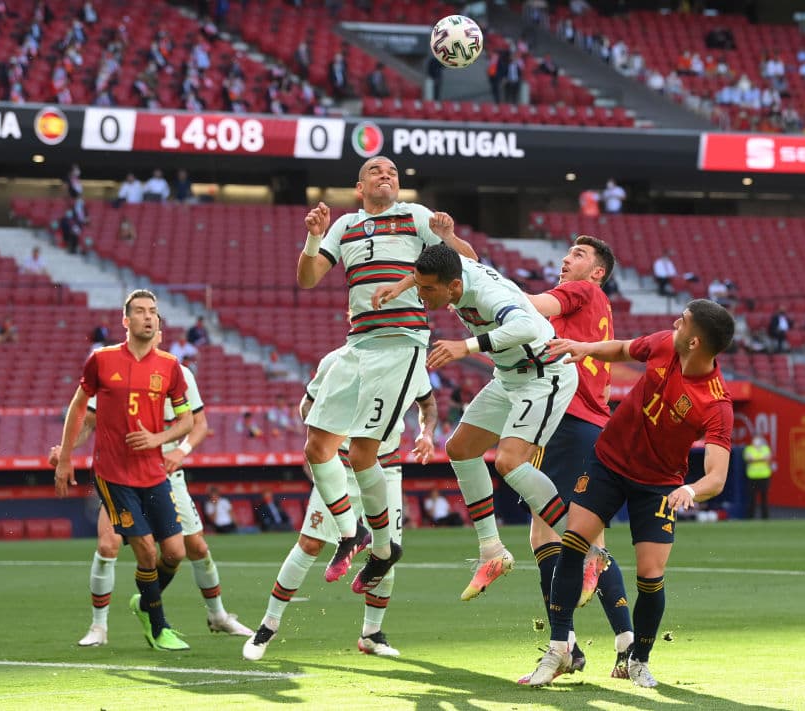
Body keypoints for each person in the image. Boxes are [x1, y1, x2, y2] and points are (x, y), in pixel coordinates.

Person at [522, 299, 735, 688]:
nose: (675, 322)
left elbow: (717, 477)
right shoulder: (665, 343)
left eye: (683, 321)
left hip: (658, 485)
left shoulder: (717, 403)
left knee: (650, 575)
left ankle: (638, 658)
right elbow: (623, 349)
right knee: (573, 543)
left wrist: (689, 488)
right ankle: (558, 649)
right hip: (607, 463)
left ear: (695, 341)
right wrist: (584, 348)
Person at [295, 155, 475, 595]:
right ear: (360, 187)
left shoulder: (415, 217)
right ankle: (349, 532)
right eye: (376, 172)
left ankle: (382, 548)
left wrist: (449, 237)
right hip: (358, 345)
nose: (387, 176)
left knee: (361, 455)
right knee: (316, 446)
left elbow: (466, 266)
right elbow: (306, 279)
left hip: (401, 344)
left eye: (392, 172)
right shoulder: (344, 226)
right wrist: (313, 238)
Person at [49, 322, 252, 647]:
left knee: (190, 549)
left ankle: (214, 615)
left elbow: (198, 425)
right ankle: (99, 627)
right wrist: (67, 450)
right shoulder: (116, 371)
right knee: (108, 545)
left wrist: (181, 452)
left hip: (166, 475)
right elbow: (88, 421)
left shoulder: (180, 374)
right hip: (121, 475)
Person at [399, 244, 578, 601]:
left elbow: (527, 325)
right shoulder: (454, 271)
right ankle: (492, 551)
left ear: (452, 287)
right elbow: (463, 254)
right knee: (460, 448)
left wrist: (466, 347)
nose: (420, 294)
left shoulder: (487, 294)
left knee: (509, 461)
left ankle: (586, 550)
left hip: (543, 374)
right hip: (509, 376)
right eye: (418, 286)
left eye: (426, 289)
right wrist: (399, 285)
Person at [243, 346, 438, 660]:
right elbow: (307, 405)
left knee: (385, 553)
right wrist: (322, 439)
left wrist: (427, 433)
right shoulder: (336, 360)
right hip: (342, 467)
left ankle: (371, 634)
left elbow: (428, 404)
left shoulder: (410, 362)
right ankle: (267, 626)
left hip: (386, 469)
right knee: (309, 544)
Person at [518, 235, 634, 682]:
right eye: (566, 255)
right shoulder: (600, 305)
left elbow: (531, 305)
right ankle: (626, 644)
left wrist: (480, 284)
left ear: (598, 271)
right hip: (595, 424)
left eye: (578, 255)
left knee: (546, 531)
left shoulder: (581, 292)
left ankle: (563, 645)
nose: (566, 260)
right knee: (592, 539)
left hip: (566, 421)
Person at [54, 289, 194, 651]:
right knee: (143, 549)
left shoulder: (170, 366)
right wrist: (67, 455)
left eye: (153, 312)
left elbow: (187, 420)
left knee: (175, 553)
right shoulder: (101, 360)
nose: (149, 317)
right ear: (126, 320)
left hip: (153, 473)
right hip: (113, 474)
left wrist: (158, 438)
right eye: (141, 311)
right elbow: (80, 408)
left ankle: (143, 602)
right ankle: (157, 625)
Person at [743, 434, 773, 519]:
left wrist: (755, 459)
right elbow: (749, 459)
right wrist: (761, 459)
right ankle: (750, 517)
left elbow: (767, 459)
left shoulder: (765, 448)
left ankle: (765, 517)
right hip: (752, 477)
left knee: (764, 498)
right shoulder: (749, 449)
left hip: (764, 476)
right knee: (752, 499)